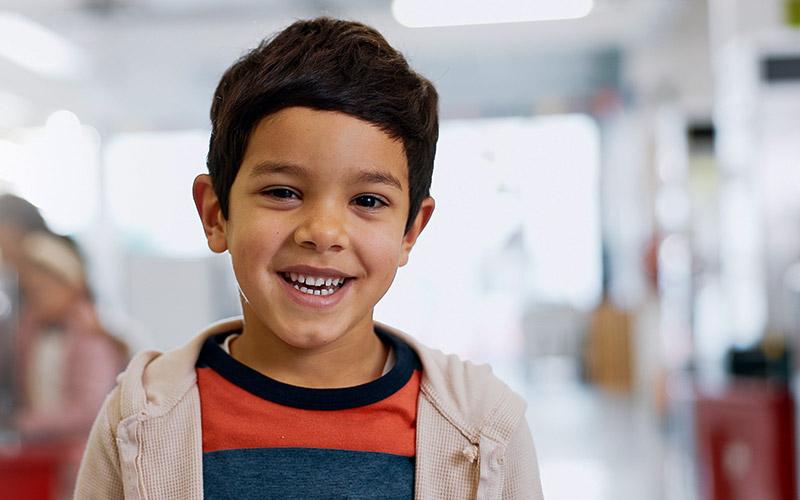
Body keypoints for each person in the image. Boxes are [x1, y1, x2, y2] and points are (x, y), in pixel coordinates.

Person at [75, 17, 543, 499]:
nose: (323, 233)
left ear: (410, 231)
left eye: (367, 201)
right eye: (282, 192)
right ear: (216, 214)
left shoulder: (485, 427)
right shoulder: (137, 421)